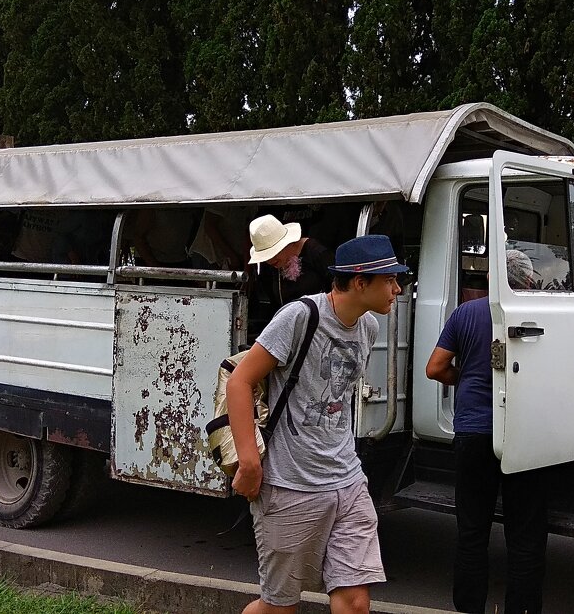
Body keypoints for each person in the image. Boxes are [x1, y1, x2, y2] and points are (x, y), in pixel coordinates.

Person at [226, 234, 406, 614]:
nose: (397, 288)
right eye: (389, 279)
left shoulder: (368, 327)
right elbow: (239, 381)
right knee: (279, 607)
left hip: (347, 481)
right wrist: (248, 461)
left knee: (355, 603)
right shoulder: (299, 317)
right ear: (360, 282)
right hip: (291, 485)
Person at [425, 249, 548, 614]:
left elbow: (435, 368)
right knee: (526, 537)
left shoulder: (466, 313)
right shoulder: (543, 315)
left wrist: (465, 379)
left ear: (494, 277)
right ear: (526, 280)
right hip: (526, 434)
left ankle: (469, 608)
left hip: (473, 433)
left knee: (472, 531)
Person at [247, 213, 332, 308]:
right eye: (265, 256)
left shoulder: (315, 252)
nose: (270, 260)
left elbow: (338, 287)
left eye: (274, 252)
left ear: (286, 243)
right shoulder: (270, 266)